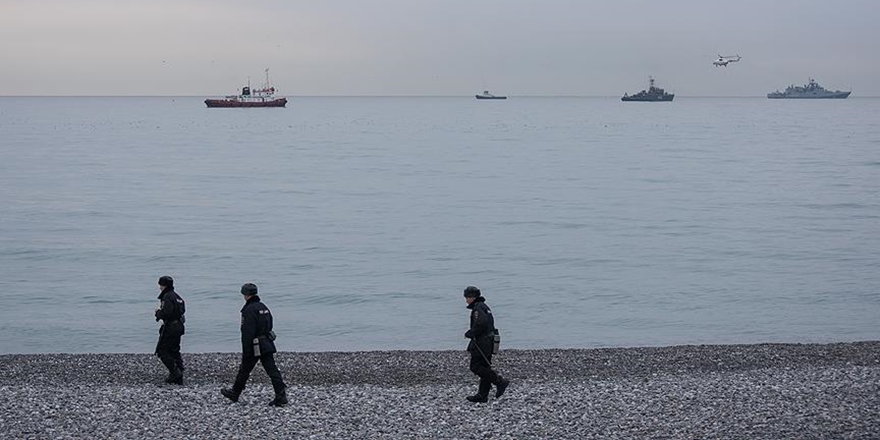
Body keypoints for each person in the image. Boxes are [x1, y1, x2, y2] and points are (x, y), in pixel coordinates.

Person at [221, 283, 288, 406]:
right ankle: (281, 394)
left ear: (246, 295)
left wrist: (246, 350)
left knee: (244, 369)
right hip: (267, 343)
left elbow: (247, 332)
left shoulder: (249, 310)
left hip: (255, 345)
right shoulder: (264, 307)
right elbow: (270, 325)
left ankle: (235, 392)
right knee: (272, 370)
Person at [463, 285, 509, 402]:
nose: (466, 300)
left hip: (483, 342)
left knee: (476, 367)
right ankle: (482, 395)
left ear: (473, 297)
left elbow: (481, 323)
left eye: (467, 297)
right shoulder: (484, 307)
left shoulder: (478, 308)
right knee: (485, 367)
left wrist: (471, 333)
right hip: (489, 341)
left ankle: (500, 381)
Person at [154, 275, 186, 385]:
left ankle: (175, 373)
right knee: (174, 350)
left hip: (170, 327)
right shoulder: (178, 297)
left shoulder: (167, 297)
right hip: (179, 326)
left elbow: (167, 313)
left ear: (164, 286)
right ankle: (179, 371)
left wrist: (158, 313)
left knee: (162, 351)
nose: (160, 288)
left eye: (161, 285)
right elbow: (182, 311)